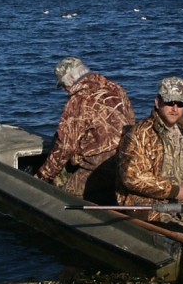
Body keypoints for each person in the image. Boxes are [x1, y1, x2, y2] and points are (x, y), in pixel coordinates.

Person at [34, 57, 135, 202]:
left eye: (63, 85)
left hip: (99, 167)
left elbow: (65, 147)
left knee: (65, 199)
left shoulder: (78, 101)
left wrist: (42, 176)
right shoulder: (116, 88)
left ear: (70, 79)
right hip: (126, 159)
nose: (64, 90)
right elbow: (131, 121)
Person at [117, 76, 183, 233]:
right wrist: (175, 191)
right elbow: (132, 177)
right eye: (169, 102)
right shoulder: (139, 134)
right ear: (158, 103)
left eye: (180, 103)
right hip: (150, 208)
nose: (174, 108)